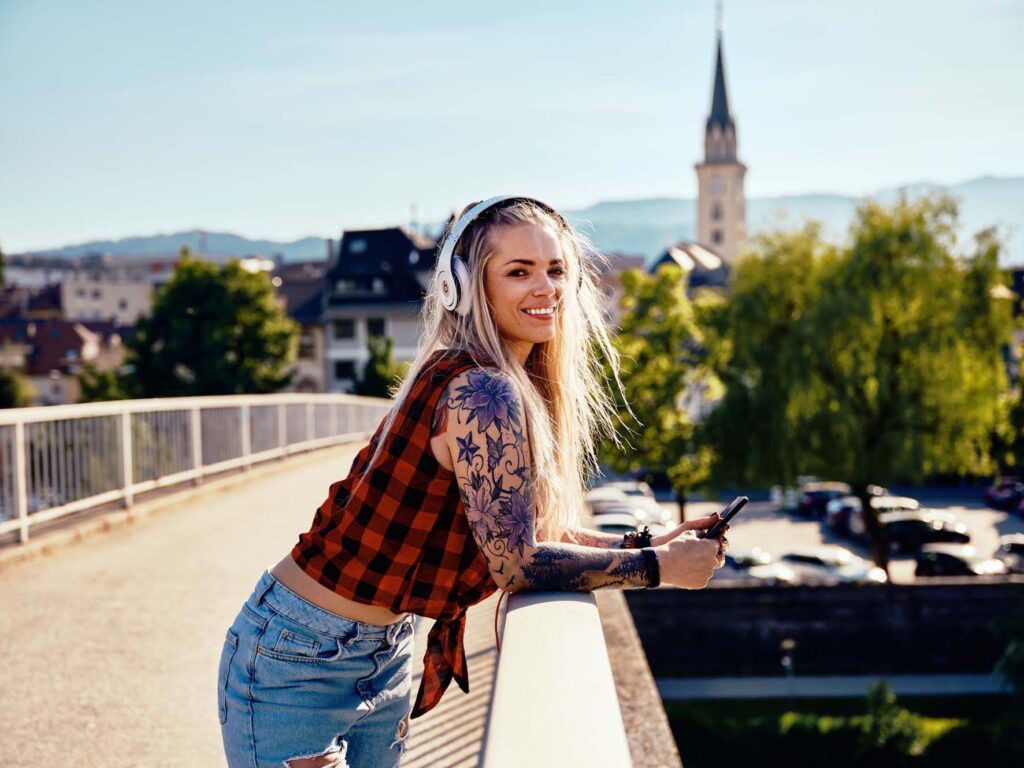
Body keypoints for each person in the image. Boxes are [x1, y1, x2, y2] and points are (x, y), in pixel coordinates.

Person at [216, 196, 727, 768]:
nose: (546, 288)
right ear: (465, 286)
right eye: (518, 272)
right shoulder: (480, 392)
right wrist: (658, 571)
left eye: (556, 270)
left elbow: (529, 533)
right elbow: (517, 562)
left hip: (381, 652)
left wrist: (649, 542)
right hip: (299, 660)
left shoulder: (494, 380)